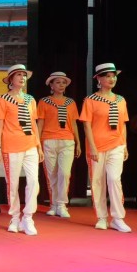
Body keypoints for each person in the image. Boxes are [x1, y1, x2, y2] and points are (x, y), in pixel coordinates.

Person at [80, 63, 131, 232]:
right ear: (99, 79)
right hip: (97, 146)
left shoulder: (121, 100)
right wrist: (92, 147)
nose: (112, 79)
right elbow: (86, 125)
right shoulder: (90, 100)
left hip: (116, 145)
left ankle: (118, 218)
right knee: (97, 181)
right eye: (108, 76)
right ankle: (101, 217)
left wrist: (124, 145)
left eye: (114, 76)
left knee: (114, 179)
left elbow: (123, 124)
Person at [0, 64, 43, 236]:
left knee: (34, 181)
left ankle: (28, 217)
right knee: (12, 184)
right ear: (11, 79)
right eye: (18, 75)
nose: (22, 78)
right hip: (11, 146)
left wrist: (38, 145)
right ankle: (14, 217)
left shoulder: (31, 99)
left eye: (24, 75)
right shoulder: (3, 99)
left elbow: (34, 124)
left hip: (30, 145)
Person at [37, 71, 80, 218]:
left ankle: (62, 204)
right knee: (51, 175)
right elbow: (40, 123)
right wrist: (37, 143)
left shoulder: (71, 103)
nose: (61, 85)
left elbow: (74, 123)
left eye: (63, 82)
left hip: (67, 141)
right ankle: (53, 204)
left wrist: (78, 143)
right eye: (58, 82)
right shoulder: (44, 102)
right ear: (51, 85)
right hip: (48, 140)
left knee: (64, 173)